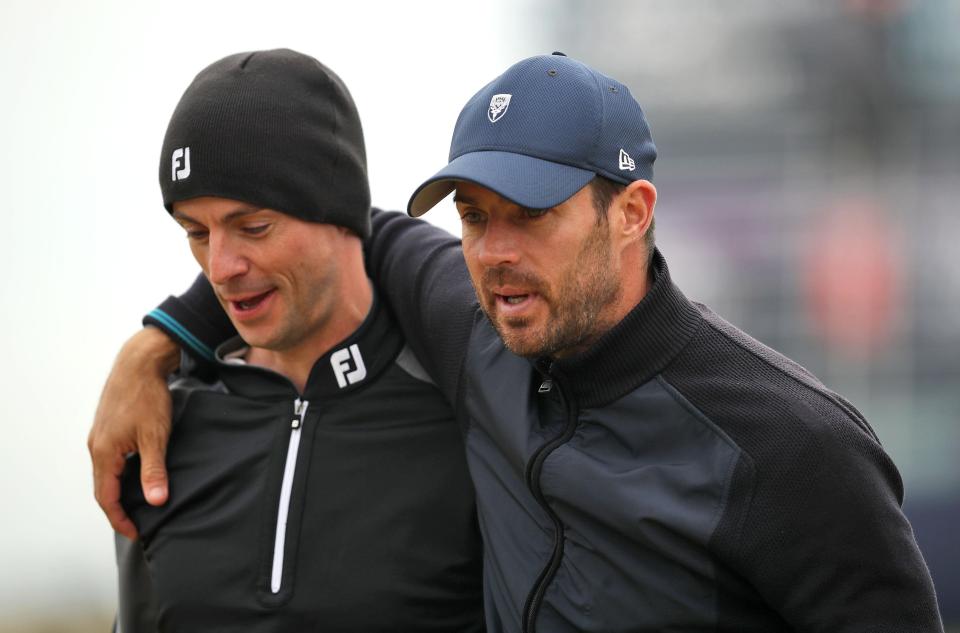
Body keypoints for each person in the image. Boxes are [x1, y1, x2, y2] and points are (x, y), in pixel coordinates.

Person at [91, 53, 944, 631]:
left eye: (532, 215)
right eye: (471, 215)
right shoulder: (480, 329)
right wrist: (162, 340)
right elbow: (336, 229)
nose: (494, 252)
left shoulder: (792, 444)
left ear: (632, 212)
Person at [104, 48, 484, 633]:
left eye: (253, 227)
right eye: (196, 232)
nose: (221, 266)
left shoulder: (467, 404)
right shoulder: (161, 427)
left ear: (339, 213)